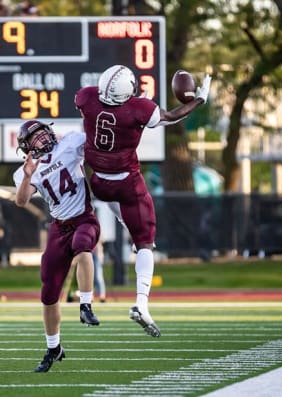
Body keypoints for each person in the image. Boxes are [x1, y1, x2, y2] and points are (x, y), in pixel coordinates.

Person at [75, 64, 211, 337]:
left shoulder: (86, 97)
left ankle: (90, 296)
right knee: (145, 242)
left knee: (122, 219)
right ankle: (141, 303)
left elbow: (110, 111)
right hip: (127, 183)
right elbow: (171, 116)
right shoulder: (138, 109)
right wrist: (199, 99)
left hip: (98, 181)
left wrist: (139, 104)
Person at [13, 119, 100, 373]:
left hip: (84, 218)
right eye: (35, 138)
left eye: (43, 133)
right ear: (26, 146)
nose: (41, 139)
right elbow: (21, 200)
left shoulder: (71, 142)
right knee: (49, 292)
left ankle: (86, 305)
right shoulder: (25, 170)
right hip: (59, 226)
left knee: (83, 246)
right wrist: (28, 176)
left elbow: (97, 149)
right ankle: (54, 348)